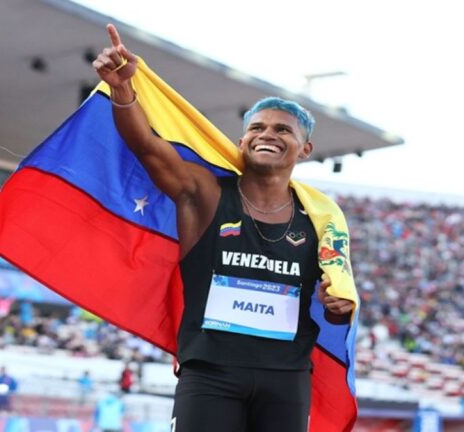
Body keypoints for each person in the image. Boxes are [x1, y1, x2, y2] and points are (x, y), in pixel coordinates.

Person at [93, 24, 355, 432]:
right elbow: (147, 147)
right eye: (257, 128)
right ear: (242, 140)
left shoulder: (322, 218)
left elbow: (336, 311)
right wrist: (123, 92)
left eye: (282, 130)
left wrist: (338, 308)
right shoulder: (206, 194)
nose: (267, 134)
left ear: (304, 149)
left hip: (286, 379)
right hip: (210, 373)